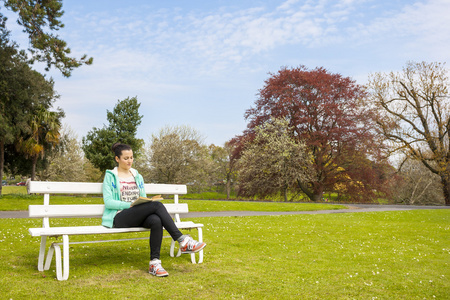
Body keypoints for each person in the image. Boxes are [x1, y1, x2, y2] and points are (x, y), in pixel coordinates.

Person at [102, 142, 206, 277]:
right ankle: (182, 240)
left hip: (136, 213)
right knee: (157, 205)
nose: (130, 161)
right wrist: (130, 205)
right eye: (126, 158)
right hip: (119, 216)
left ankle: (154, 263)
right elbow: (108, 202)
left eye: (131, 157)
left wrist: (143, 202)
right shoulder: (110, 176)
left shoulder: (137, 176)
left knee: (156, 220)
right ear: (117, 159)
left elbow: (143, 197)